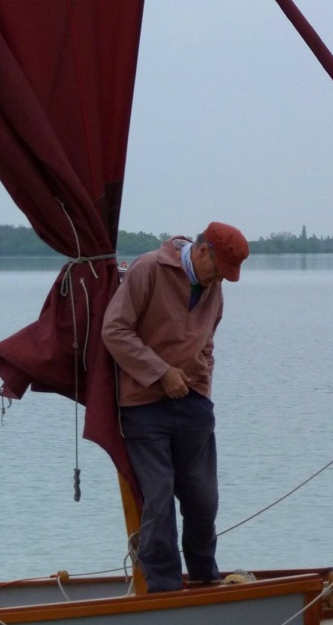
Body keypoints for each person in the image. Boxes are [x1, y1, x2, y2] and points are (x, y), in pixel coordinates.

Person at [101, 222, 249, 593]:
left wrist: (201, 391)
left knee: (203, 498)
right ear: (201, 251)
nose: (219, 281)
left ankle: (203, 576)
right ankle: (164, 587)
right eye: (218, 270)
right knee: (159, 496)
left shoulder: (215, 289)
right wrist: (160, 373)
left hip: (192, 404)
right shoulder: (148, 269)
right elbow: (115, 330)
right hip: (143, 405)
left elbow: (207, 345)